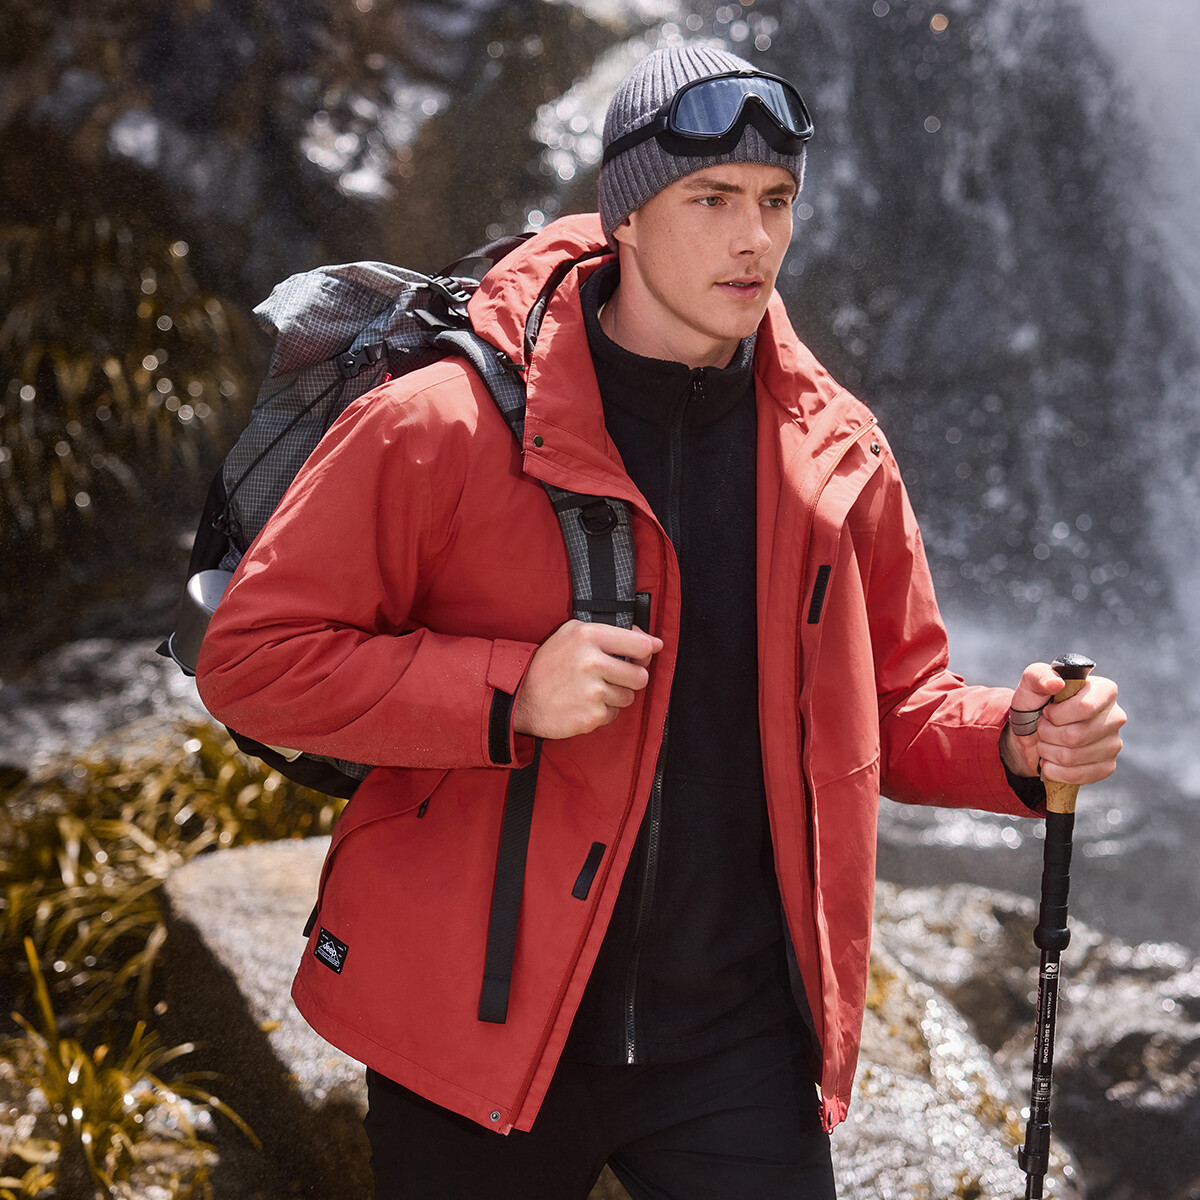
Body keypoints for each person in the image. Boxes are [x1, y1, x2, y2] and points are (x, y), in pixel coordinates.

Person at [196, 43, 1126, 1200]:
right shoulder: (437, 425)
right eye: (712, 200)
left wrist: (1017, 744)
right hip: (475, 1025)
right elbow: (252, 661)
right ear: (626, 216)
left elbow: (896, 706)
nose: (754, 238)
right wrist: (510, 691)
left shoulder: (837, 453)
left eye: (776, 200)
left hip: (735, 1043)